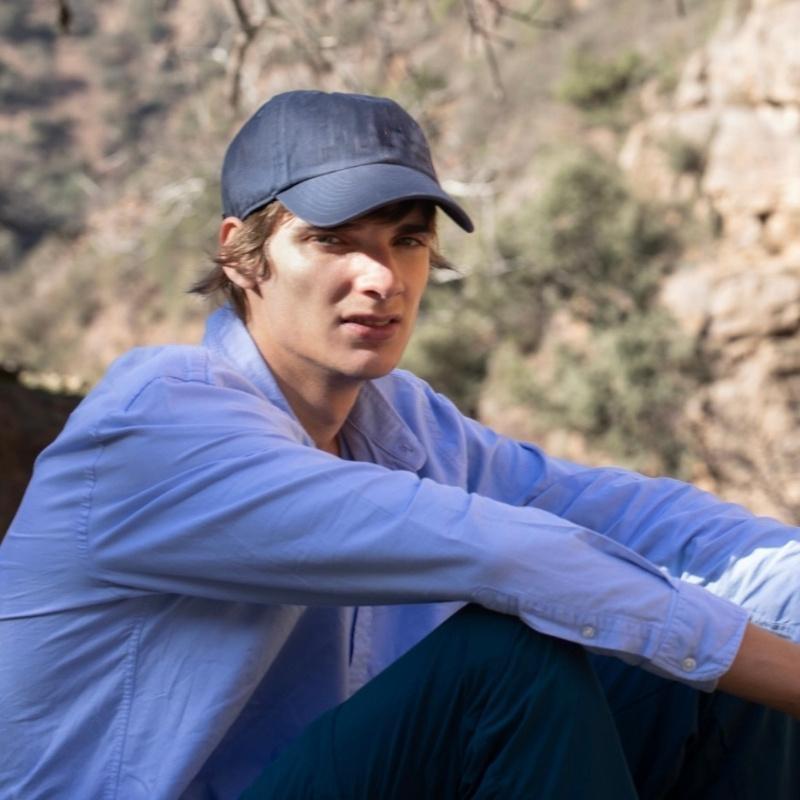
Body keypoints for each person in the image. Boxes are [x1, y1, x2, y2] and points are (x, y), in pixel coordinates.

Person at [1, 90, 799, 800]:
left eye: (407, 241)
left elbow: (639, 521)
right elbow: (516, 557)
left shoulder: (402, 420)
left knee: (703, 682)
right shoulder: (160, 425)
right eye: (333, 241)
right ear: (242, 255)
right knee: (504, 666)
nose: (381, 277)